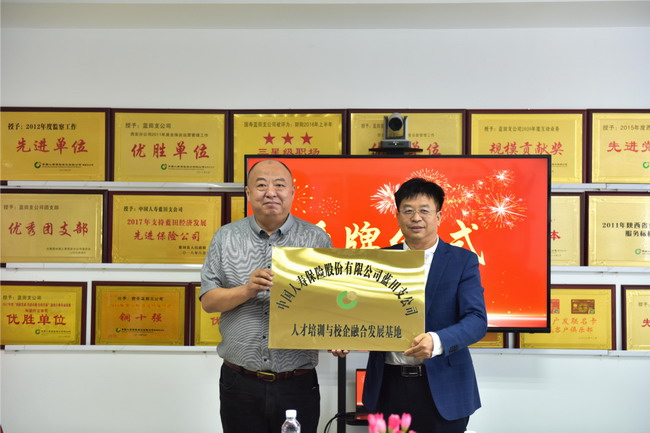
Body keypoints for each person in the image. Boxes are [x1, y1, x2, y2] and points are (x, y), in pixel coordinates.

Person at [200, 159, 332, 433]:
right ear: (248, 193)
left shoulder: (316, 239)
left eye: (279, 185)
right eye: (261, 185)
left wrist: (340, 336)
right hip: (240, 382)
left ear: (292, 192)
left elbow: (330, 303)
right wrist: (247, 290)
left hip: (297, 382)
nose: (271, 192)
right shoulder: (226, 237)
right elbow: (209, 301)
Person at [353, 177, 487, 433]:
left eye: (424, 210)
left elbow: (476, 321)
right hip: (387, 386)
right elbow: (360, 312)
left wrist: (437, 341)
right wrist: (342, 336)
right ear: (397, 216)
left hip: (444, 388)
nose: (416, 218)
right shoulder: (378, 259)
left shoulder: (462, 261)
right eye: (408, 210)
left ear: (439, 216)